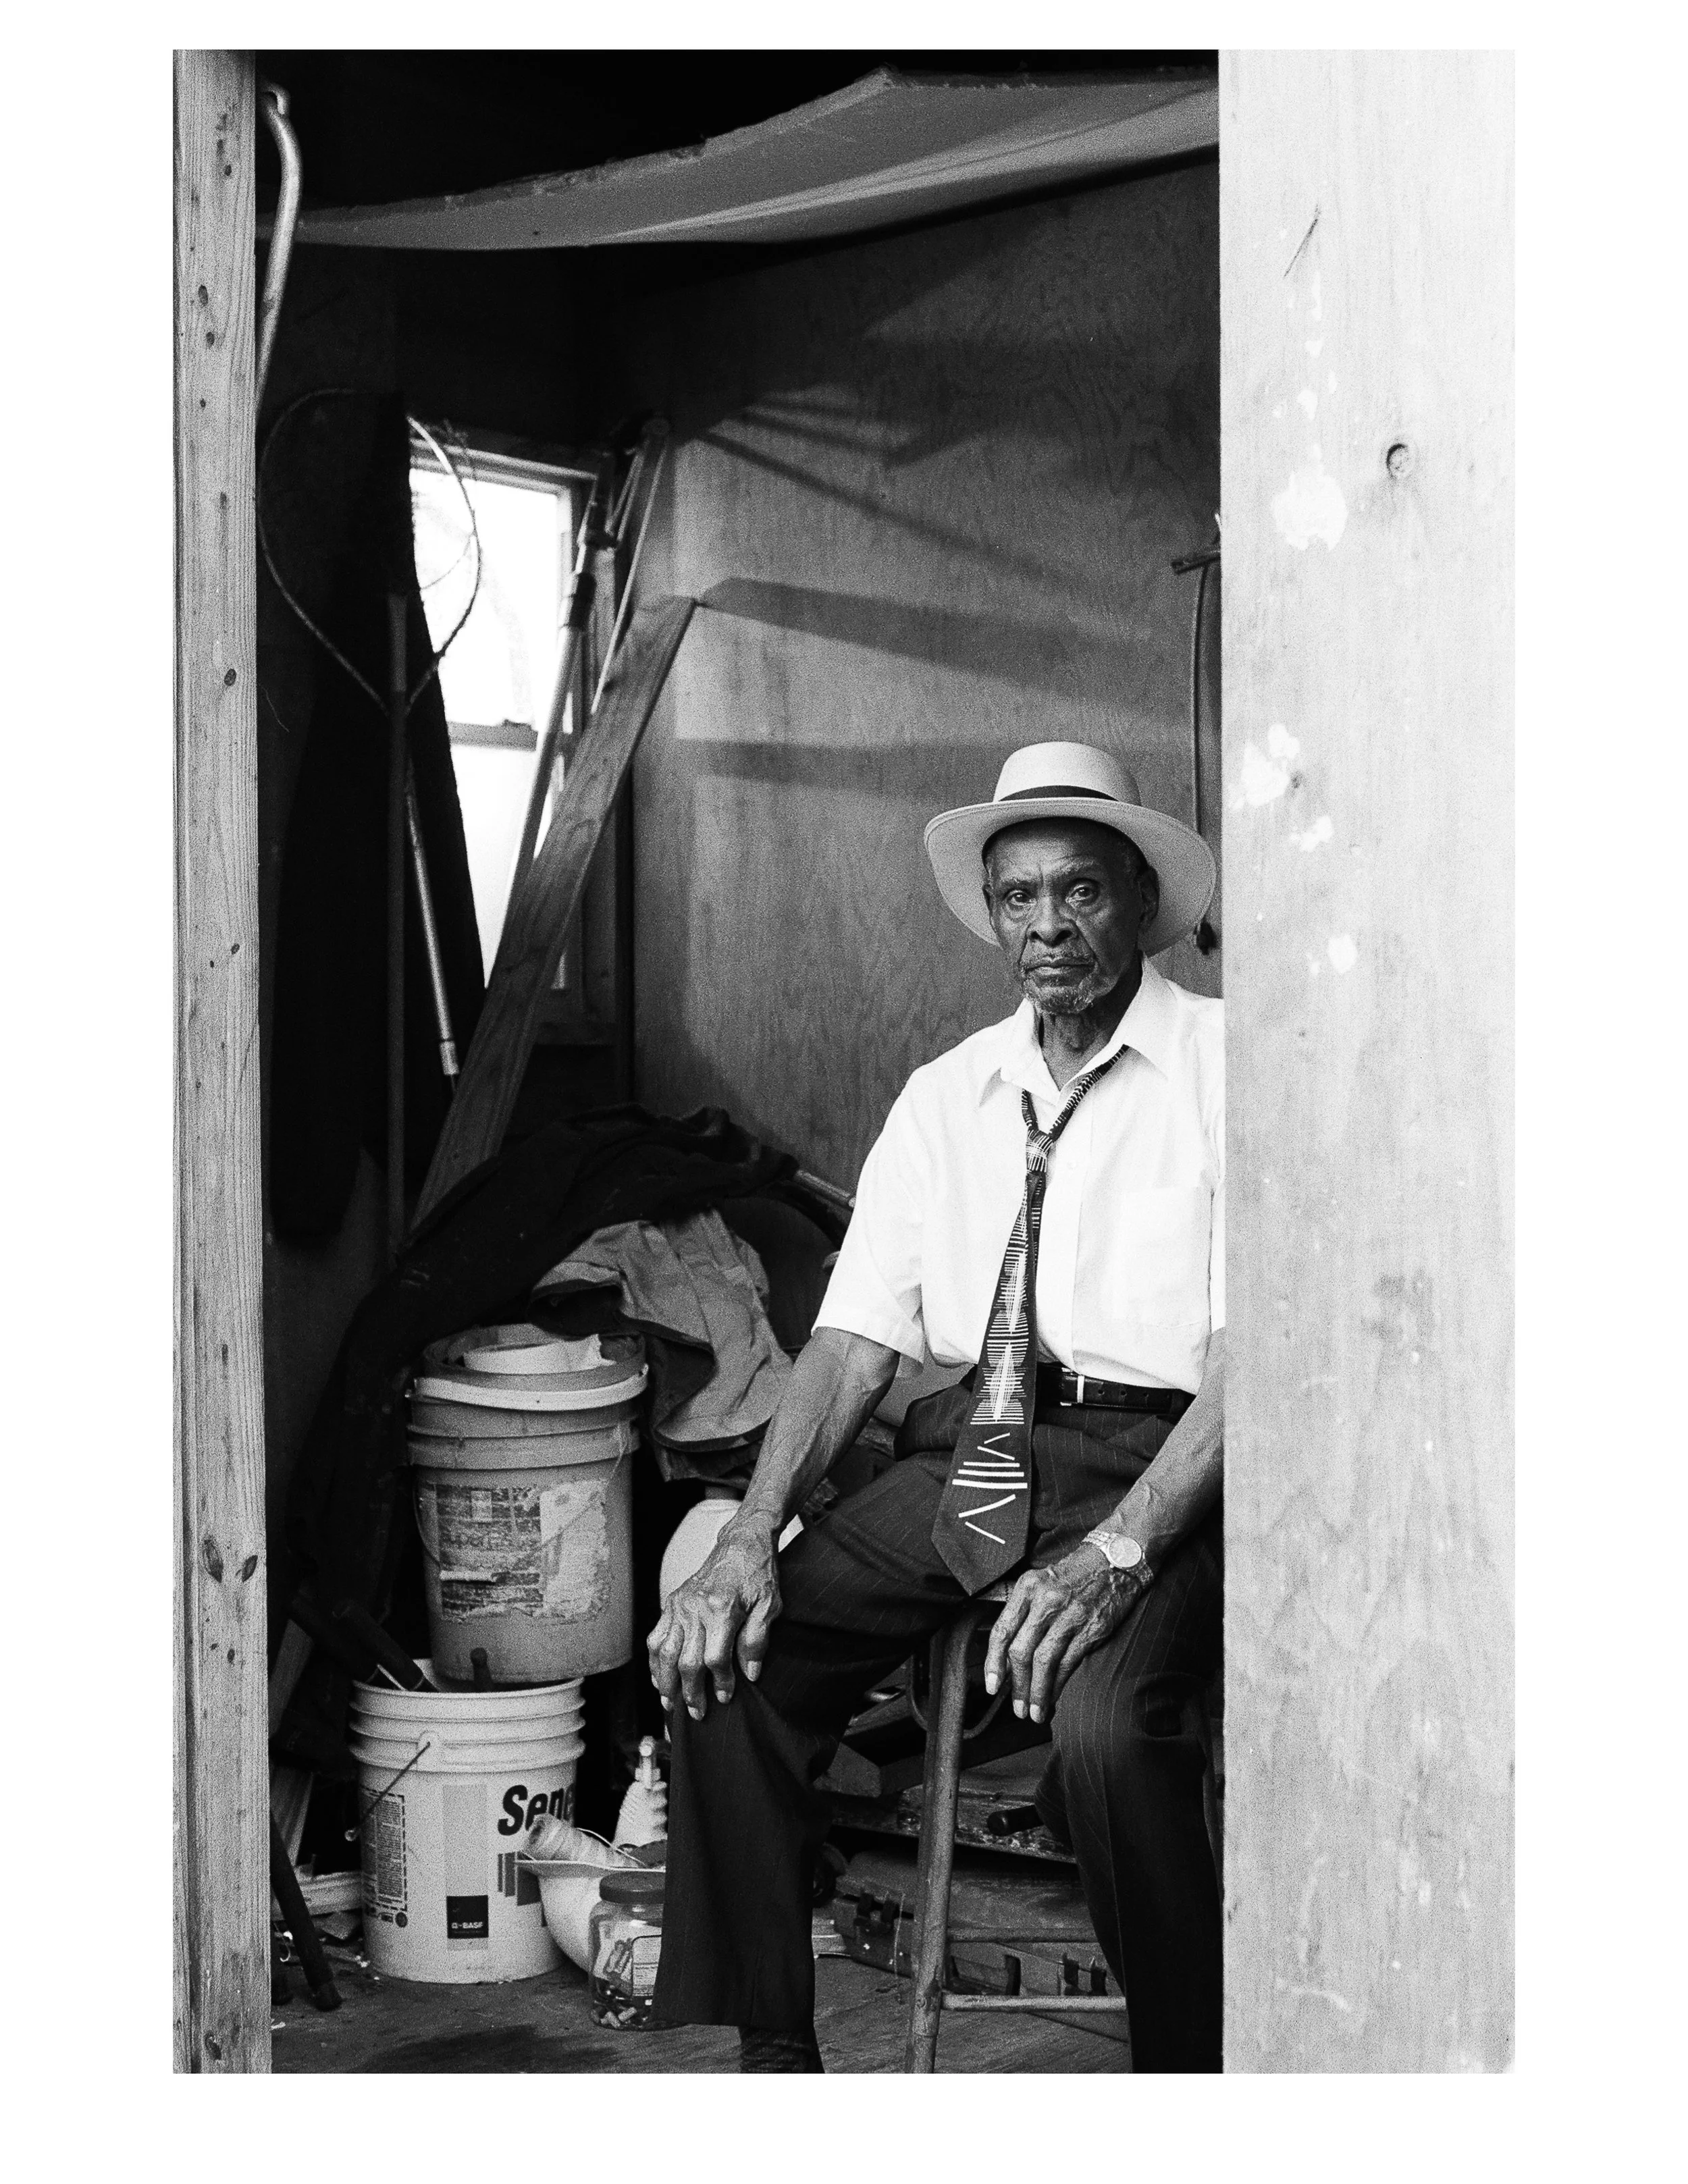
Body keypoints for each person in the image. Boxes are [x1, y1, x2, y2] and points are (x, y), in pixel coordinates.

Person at [647, 740, 1225, 2073]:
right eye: (1018, 898)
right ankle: (774, 2055)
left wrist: (1121, 1550)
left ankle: (1189, 2083)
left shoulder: (1227, 1067)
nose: (1046, 926)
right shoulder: (944, 1097)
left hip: (1160, 1461)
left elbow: (1259, 1351)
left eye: (1078, 892)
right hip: (978, 1453)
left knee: (1105, 1732)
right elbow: (850, 1341)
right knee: (720, 1668)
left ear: (1137, 903)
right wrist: (747, 1537)